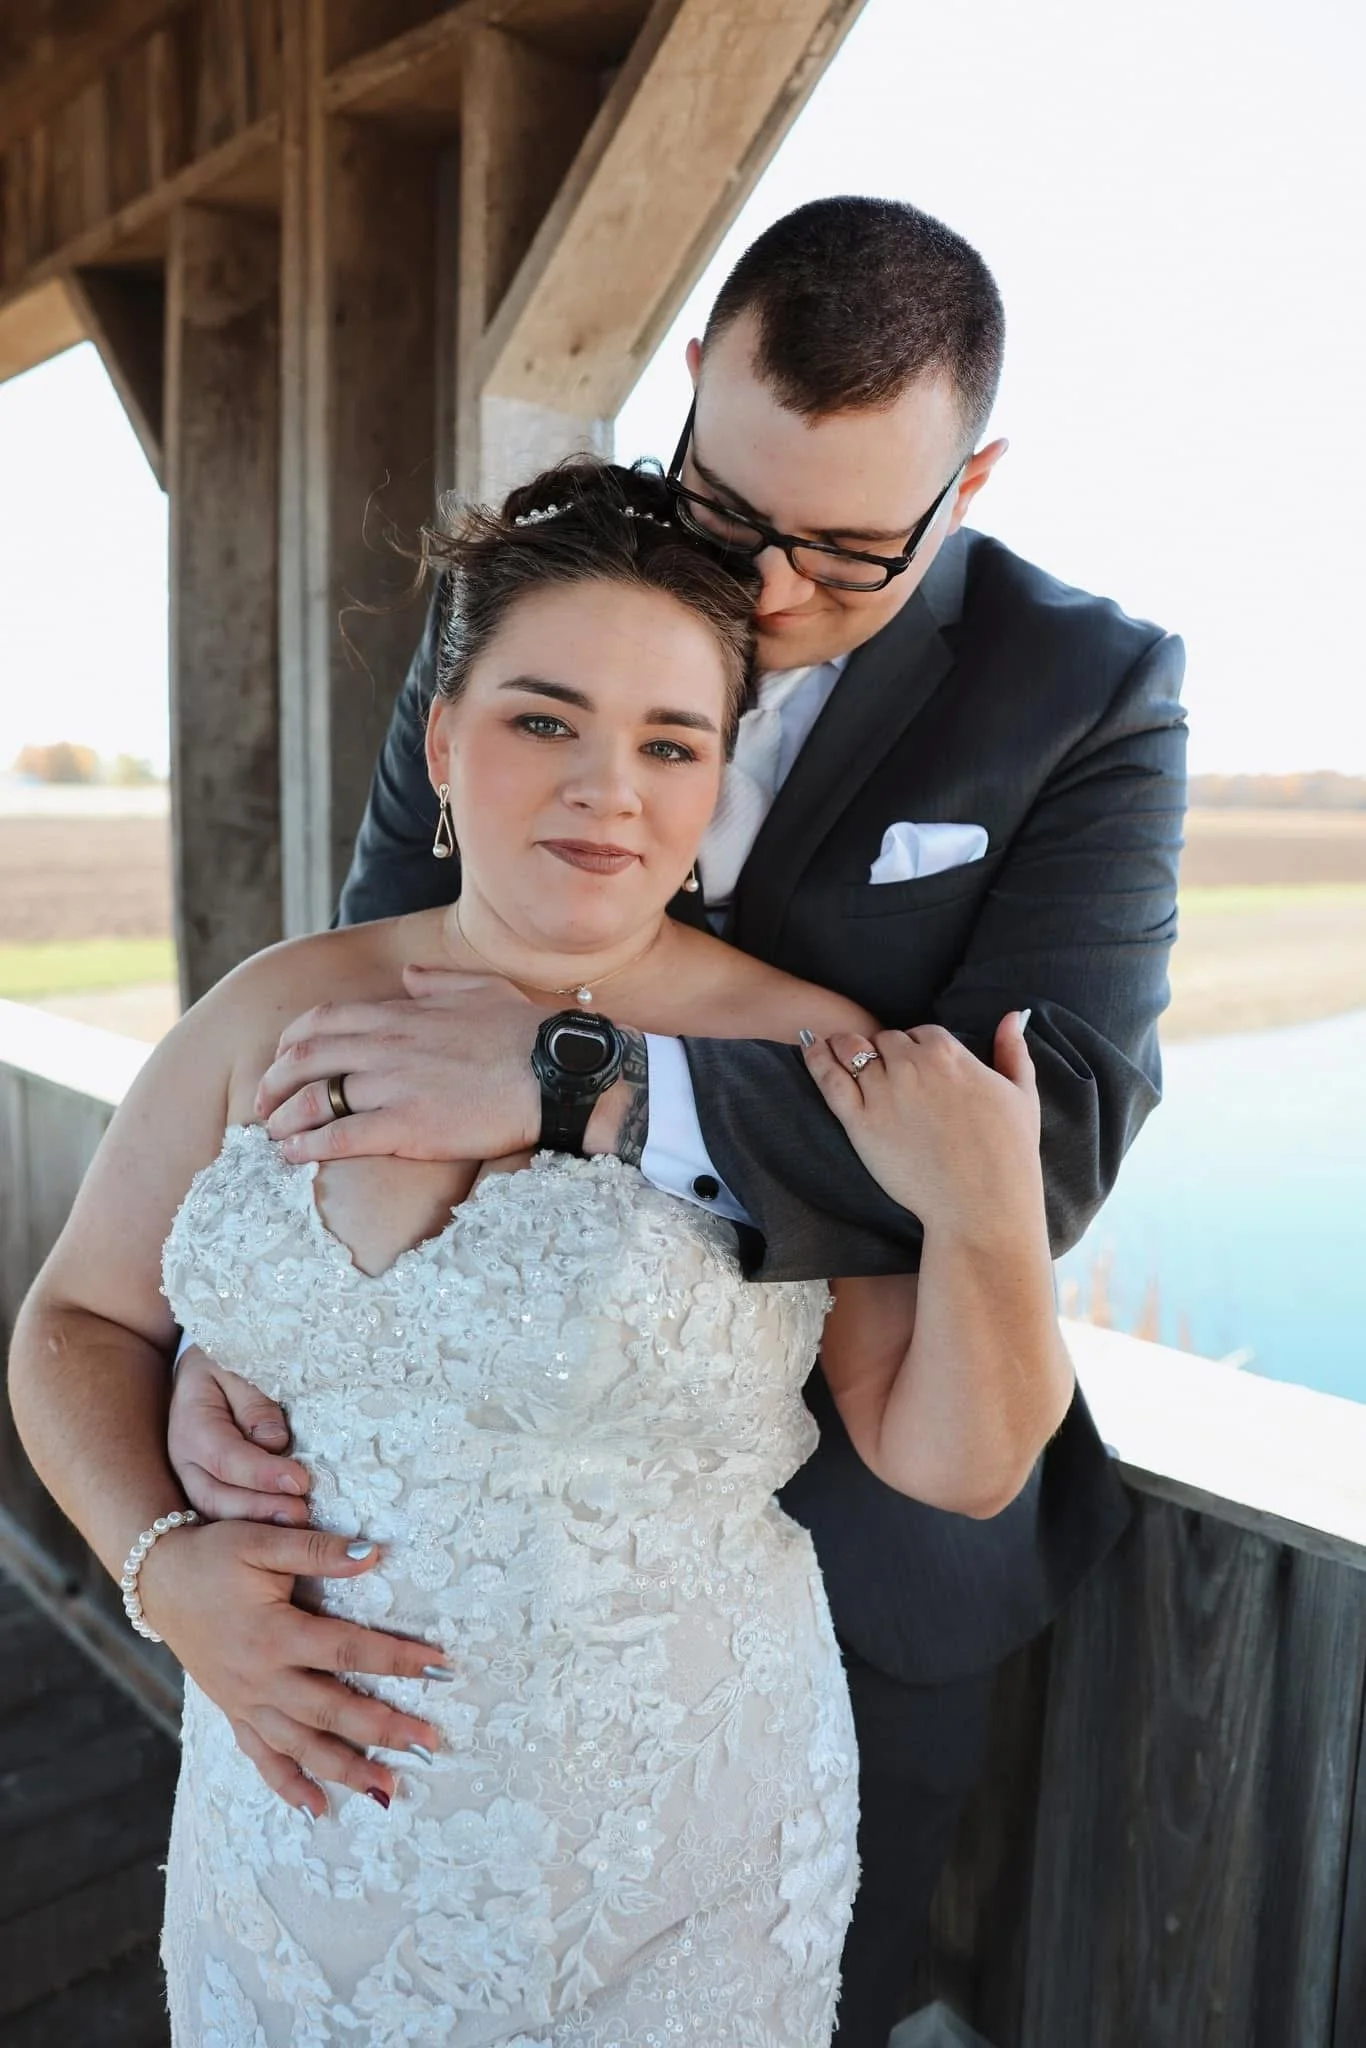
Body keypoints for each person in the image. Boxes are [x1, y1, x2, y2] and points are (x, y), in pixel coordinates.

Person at [169, 198, 1187, 2045]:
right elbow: (377, 995)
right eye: (732, 516)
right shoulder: (522, 611)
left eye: (852, 550)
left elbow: (1039, 1143)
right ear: (692, 378)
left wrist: (591, 1088)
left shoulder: (1088, 690)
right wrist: (238, 1336)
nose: (776, 594)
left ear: (975, 479)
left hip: (858, 1521)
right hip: (427, 1528)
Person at [11, 459, 1072, 2047]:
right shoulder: (269, 1006)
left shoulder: (800, 1053)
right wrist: (167, 1572)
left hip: (672, 1853)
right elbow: (78, 1319)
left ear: (717, 780)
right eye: (542, 720)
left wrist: (990, 1212)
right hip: (294, 1828)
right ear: (443, 743)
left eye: (669, 743)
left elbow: (959, 1462)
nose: (607, 789)